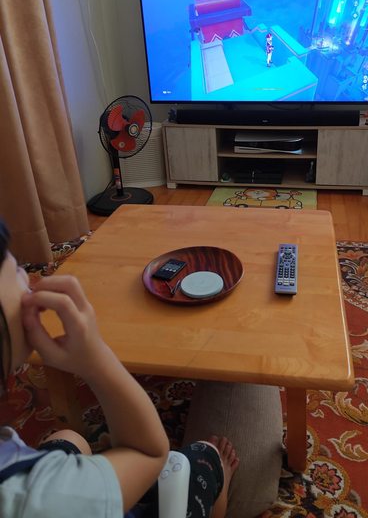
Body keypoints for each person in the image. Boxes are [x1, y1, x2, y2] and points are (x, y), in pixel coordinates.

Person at [0, 218, 238, 517]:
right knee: (205, 456)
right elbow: (147, 452)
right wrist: (95, 359)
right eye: (12, 266)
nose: (25, 274)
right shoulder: (40, 498)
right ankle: (218, 485)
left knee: (70, 438)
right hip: (68, 497)